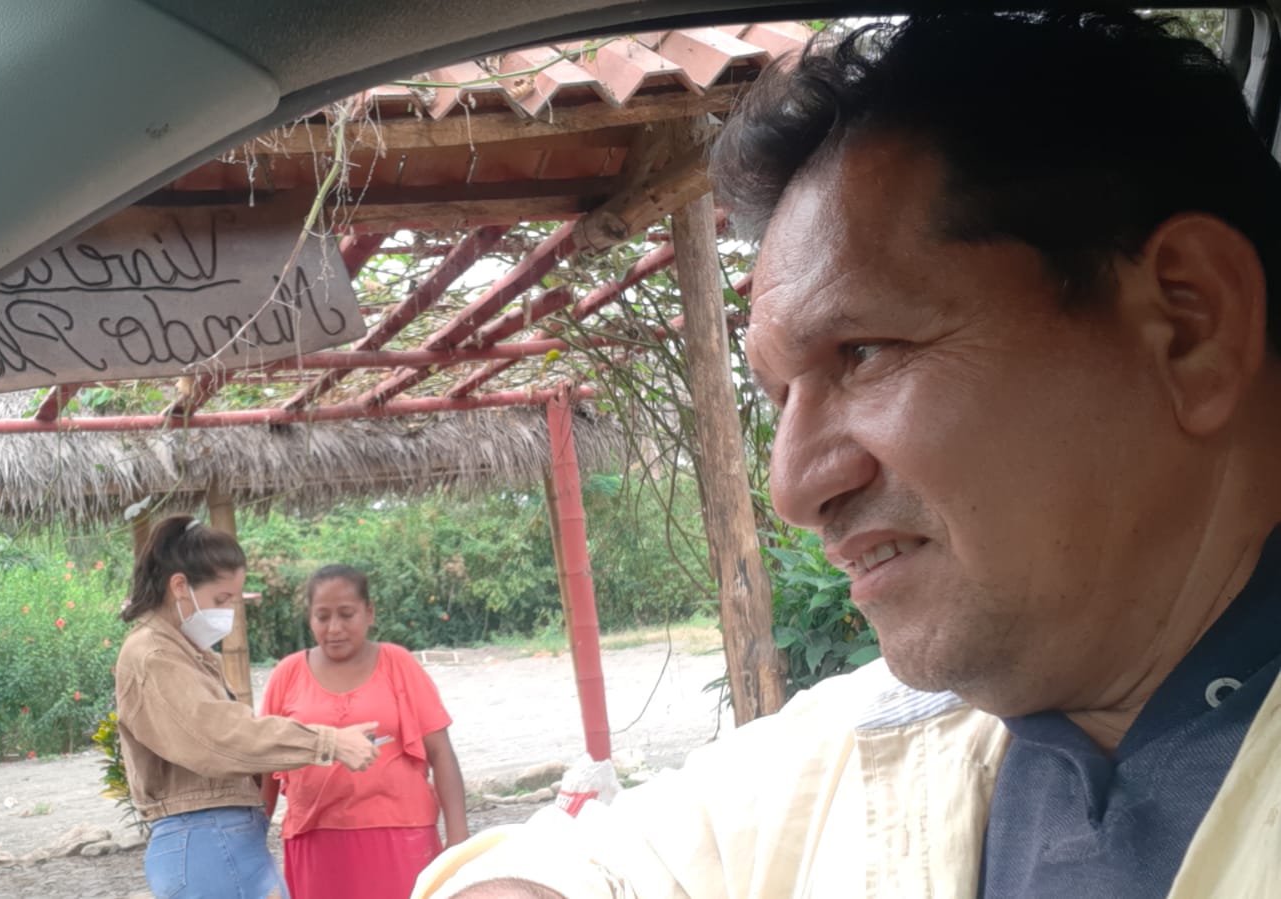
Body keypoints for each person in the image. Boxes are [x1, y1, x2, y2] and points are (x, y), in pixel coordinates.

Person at [414, 11, 1281, 898]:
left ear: (1188, 325)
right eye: (778, 396)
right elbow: (596, 861)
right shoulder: (886, 733)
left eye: (862, 352)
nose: (791, 489)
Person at [114, 517, 382, 899]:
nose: (228, 611)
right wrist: (328, 742)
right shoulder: (154, 655)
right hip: (205, 837)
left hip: (216, 837)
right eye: (221, 599)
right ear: (179, 587)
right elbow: (220, 738)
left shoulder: (181, 651)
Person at [259, 564, 468, 899]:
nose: (334, 628)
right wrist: (254, 840)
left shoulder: (399, 664)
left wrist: (458, 840)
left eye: (346, 615)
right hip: (315, 841)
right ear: (309, 618)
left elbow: (441, 753)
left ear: (369, 613)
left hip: (401, 837)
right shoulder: (288, 674)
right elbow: (267, 761)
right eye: (322, 617)